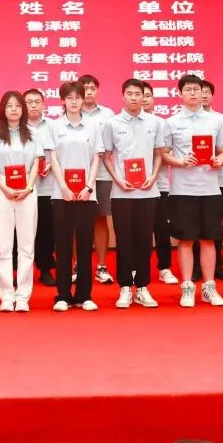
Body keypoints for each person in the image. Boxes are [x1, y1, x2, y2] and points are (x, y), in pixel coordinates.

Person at [161, 74, 223, 308]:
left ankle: (209, 287)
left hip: (210, 189)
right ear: (180, 93)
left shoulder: (217, 120)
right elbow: (164, 154)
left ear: (203, 93)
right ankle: (187, 287)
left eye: (197, 89)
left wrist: (220, 159)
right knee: (185, 239)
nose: (193, 93)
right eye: (188, 89)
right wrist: (181, 162)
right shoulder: (171, 122)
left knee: (208, 239)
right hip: (182, 190)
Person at [100, 79, 165, 309]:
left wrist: (153, 176)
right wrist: (117, 179)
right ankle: (125, 287)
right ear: (123, 96)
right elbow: (106, 156)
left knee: (145, 241)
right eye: (130, 93)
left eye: (139, 94)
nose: (135, 98)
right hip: (122, 192)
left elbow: (159, 154)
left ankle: (143, 287)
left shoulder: (155, 122)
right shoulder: (112, 124)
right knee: (124, 241)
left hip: (148, 191)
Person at [0, 91, 43, 312]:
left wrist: (28, 187)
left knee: (26, 246)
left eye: (18, 105)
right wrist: (4, 187)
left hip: (27, 189)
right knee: (4, 246)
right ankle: (7, 296)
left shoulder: (33, 133)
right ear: (3, 109)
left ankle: (23, 295)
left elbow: (36, 162)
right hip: (2, 190)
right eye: (9, 105)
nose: (14, 109)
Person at [49, 81, 103, 312]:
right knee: (62, 245)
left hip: (86, 195)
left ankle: (84, 295)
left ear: (83, 99)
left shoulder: (93, 126)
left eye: (77, 97)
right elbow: (52, 158)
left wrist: (88, 187)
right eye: (69, 98)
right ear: (63, 100)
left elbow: (96, 158)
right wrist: (63, 187)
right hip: (61, 194)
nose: (74, 101)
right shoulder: (53, 126)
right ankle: (62, 295)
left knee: (84, 244)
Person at [77, 73, 116, 286]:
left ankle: (101, 266)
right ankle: (77, 266)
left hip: (102, 175)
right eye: (85, 88)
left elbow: (113, 144)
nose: (89, 91)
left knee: (100, 219)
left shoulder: (108, 114)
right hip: (77, 177)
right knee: (76, 221)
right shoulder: (71, 112)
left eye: (92, 87)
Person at [197, 80, 223, 281]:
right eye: (200, 91)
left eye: (207, 92)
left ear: (212, 96)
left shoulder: (220, 119)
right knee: (193, 226)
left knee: (214, 225)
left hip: (218, 182)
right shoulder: (184, 121)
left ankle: (217, 265)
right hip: (192, 182)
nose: (203, 95)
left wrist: (222, 158)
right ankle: (196, 267)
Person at [142, 83, 178, 284]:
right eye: (140, 95)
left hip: (160, 185)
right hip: (134, 187)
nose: (143, 99)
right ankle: (139, 268)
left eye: (147, 95)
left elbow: (168, 152)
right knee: (141, 232)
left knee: (162, 230)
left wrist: (159, 154)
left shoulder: (162, 123)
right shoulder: (124, 124)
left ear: (153, 99)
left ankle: (164, 267)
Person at [24, 88, 56, 285]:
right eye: (29, 102)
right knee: (23, 232)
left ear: (43, 104)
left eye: (37, 101)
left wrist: (51, 164)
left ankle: (45, 269)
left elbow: (59, 151)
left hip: (47, 187)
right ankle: (22, 271)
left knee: (46, 230)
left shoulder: (53, 125)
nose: (34, 105)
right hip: (23, 188)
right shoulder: (17, 126)